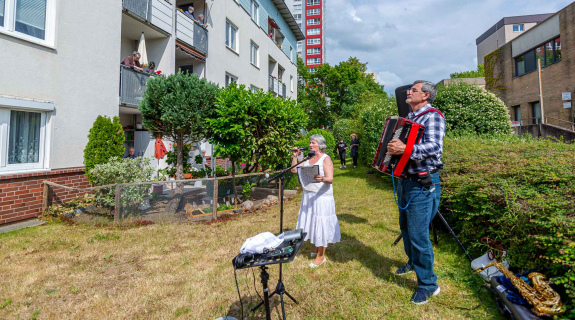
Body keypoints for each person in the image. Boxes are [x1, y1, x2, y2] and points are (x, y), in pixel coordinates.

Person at [387, 80, 446, 305]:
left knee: (420, 235)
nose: (408, 93)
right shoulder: (410, 119)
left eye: (414, 90)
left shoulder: (433, 116)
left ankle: (429, 284)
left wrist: (406, 149)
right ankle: (413, 262)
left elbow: (434, 147)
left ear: (426, 95)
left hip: (422, 182)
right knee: (406, 227)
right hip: (405, 179)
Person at [291, 135, 341, 268]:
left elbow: (330, 179)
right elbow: (294, 169)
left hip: (321, 197)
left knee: (321, 222)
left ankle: (321, 256)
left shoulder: (326, 158)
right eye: (310, 142)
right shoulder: (308, 158)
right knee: (312, 221)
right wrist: (295, 156)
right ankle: (317, 248)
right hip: (308, 196)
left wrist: (322, 178)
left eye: (313, 143)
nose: (310, 145)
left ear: (320, 145)